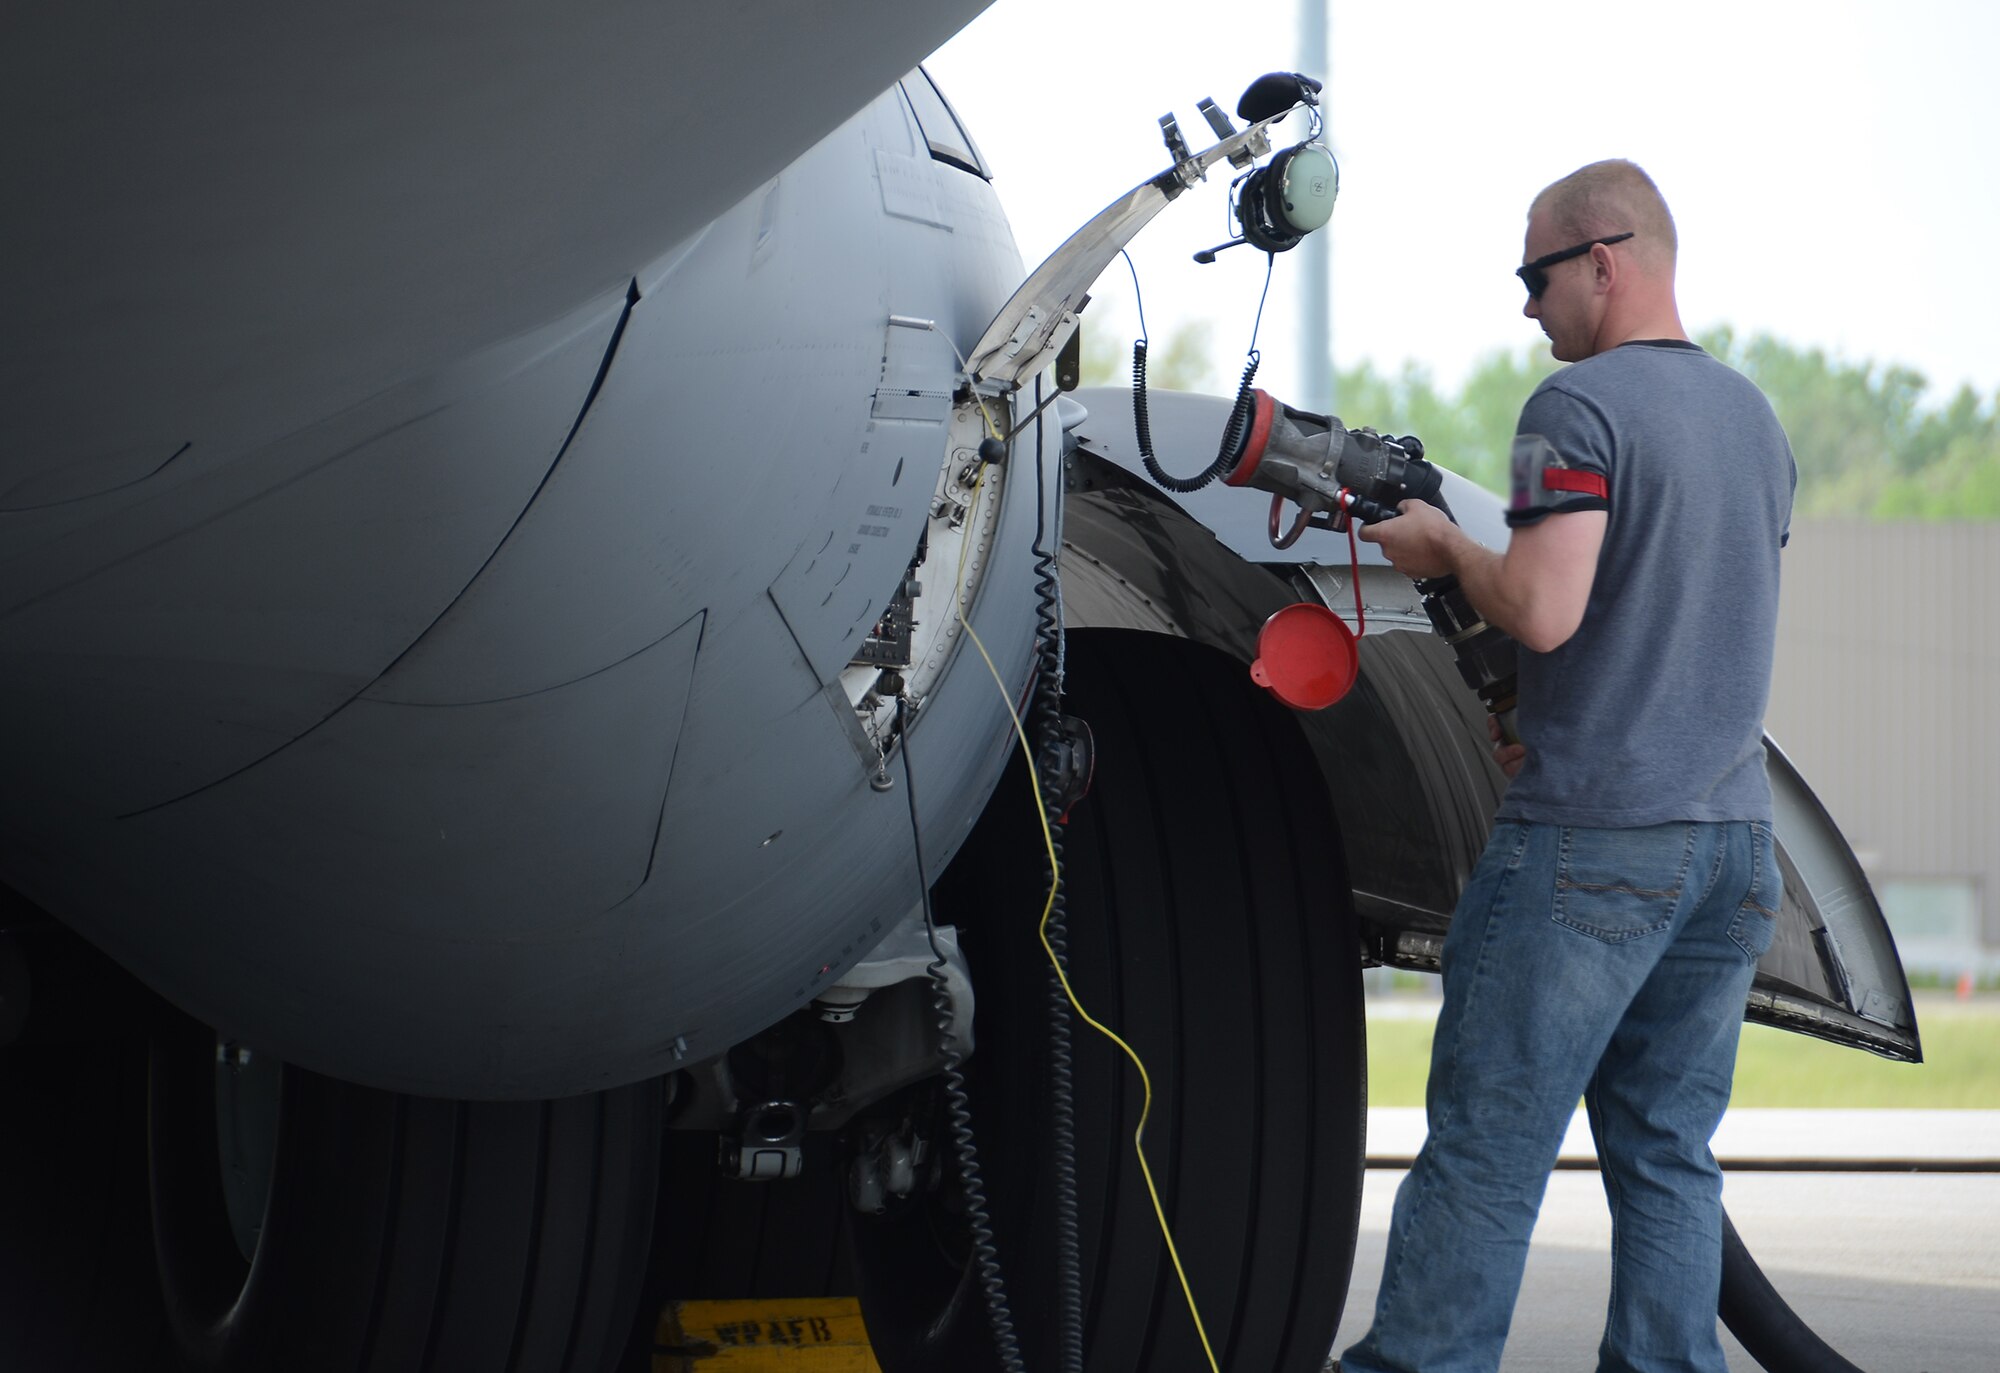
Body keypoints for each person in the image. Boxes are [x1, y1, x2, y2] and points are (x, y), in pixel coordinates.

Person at [1338, 160, 1796, 1373]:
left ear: (1602, 257)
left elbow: (1542, 606)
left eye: (1533, 276)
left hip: (1594, 845)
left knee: (1489, 1141)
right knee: (1666, 1153)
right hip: (1731, 848)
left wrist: (1441, 549)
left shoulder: (1575, 410)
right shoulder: (1752, 419)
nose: (1526, 309)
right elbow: (1664, 616)